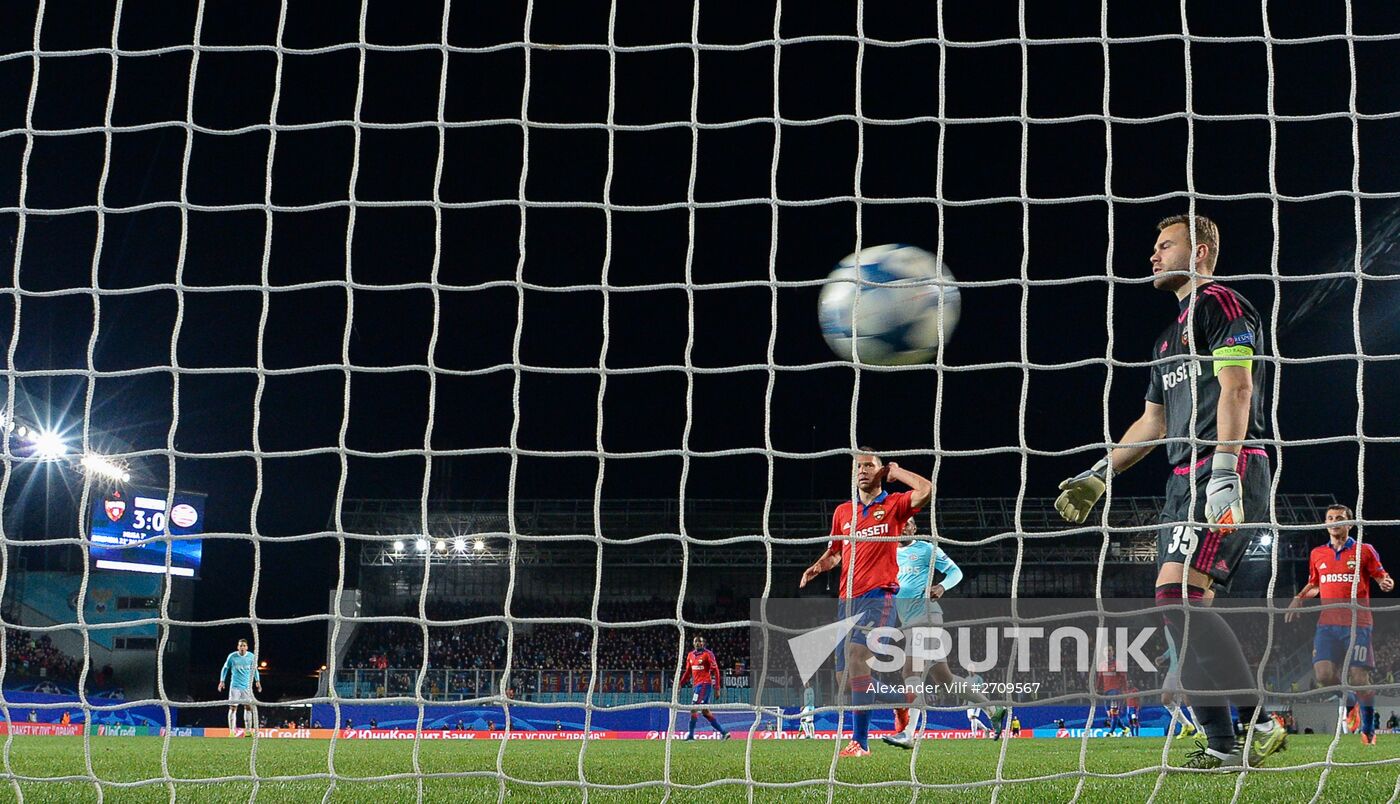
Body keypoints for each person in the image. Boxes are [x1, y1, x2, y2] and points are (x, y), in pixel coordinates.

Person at [1054, 214, 1286, 769]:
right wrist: (1098, 474)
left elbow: (1238, 385)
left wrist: (1226, 467)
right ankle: (1226, 745)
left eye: (1165, 245)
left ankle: (1260, 719)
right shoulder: (1164, 341)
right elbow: (1152, 423)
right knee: (1177, 606)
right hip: (1180, 480)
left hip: (1224, 465)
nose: (1153, 256)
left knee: (1179, 598)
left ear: (1200, 252)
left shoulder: (1222, 306)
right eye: (1154, 248)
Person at [801, 450, 931, 757]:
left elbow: (925, 491)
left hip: (879, 597)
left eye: (868, 466)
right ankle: (898, 704)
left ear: (880, 470)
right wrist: (818, 566)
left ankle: (860, 742)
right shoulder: (843, 512)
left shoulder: (894, 505)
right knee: (844, 682)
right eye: (857, 466)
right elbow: (835, 552)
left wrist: (897, 472)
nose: (862, 471)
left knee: (857, 655)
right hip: (846, 602)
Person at [882, 518, 995, 750]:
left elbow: (955, 572)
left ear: (914, 528)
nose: (904, 526)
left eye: (909, 523)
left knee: (910, 671)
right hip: (910, 621)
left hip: (927, 616)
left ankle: (909, 733)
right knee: (944, 679)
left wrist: (942, 586)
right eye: (900, 522)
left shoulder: (925, 548)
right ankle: (994, 708)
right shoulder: (887, 552)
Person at [1286, 504, 1393, 746]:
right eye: (1331, 518)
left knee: (1358, 678)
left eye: (1340, 518)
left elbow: (1381, 576)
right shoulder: (1317, 554)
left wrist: (1387, 583)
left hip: (1359, 623)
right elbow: (1315, 583)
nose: (1335, 522)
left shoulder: (1364, 551)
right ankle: (1352, 698)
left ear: (1349, 524)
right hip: (1327, 625)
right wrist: (1298, 598)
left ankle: (1368, 729)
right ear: (1326, 523)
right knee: (1323, 675)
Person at [680, 636, 728, 740]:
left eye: (700, 641)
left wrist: (717, 688)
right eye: (696, 641)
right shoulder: (690, 655)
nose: (698, 643)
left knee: (693, 708)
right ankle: (724, 732)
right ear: (693, 643)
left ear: (703, 643)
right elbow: (688, 672)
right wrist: (680, 684)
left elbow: (716, 670)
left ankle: (691, 736)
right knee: (705, 712)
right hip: (697, 685)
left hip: (704, 684)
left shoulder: (708, 654)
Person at [217, 638, 261, 735]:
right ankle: (232, 732)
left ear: (247, 647)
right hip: (235, 687)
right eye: (240, 645)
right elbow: (225, 668)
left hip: (247, 687)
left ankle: (248, 731)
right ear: (238, 647)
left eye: (244, 646)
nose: (242, 647)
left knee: (248, 707)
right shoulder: (232, 656)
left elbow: (255, 670)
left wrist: (257, 681)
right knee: (233, 708)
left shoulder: (251, 657)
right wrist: (222, 681)